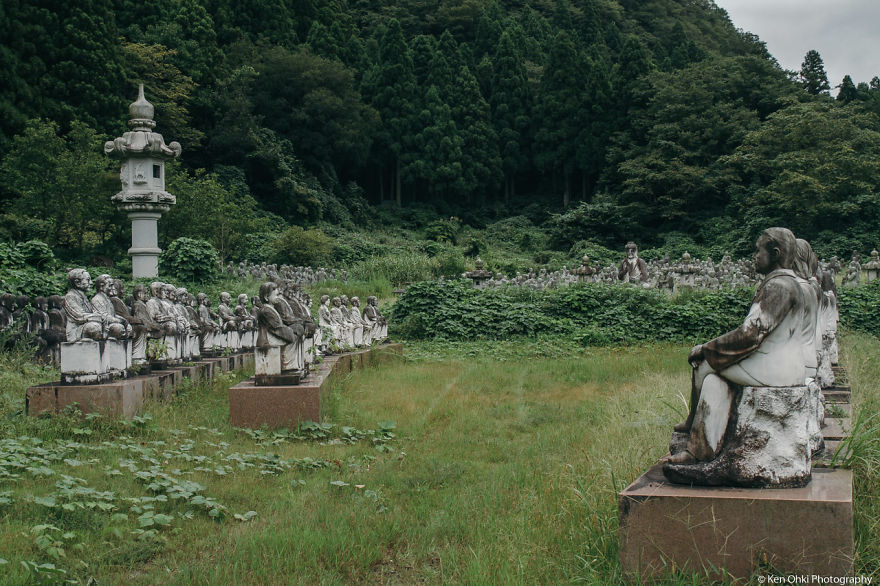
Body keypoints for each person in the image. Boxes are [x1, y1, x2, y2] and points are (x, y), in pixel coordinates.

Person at [670, 228, 809, 464]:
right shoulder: (793, 284)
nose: (754, 256)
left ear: (775, 253)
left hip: (774, 366)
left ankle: (695, 437)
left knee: (703, 364)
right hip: (788, 363)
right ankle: (703, 443)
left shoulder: (779, 287)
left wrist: (706, 348)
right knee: (715, 378)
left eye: (758, 250)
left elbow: (750, 335)